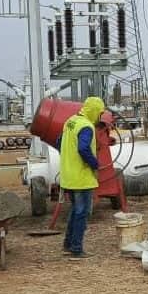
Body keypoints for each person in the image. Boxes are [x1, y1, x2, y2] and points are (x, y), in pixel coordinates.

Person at [57, 96, 104, 260]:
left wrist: (68, 158)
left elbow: (59, 141)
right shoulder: (86, 126)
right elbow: (83, 148)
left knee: (75, 210)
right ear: (94, 111)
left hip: (68, 176)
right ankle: (76, 249)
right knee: (81, 212)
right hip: (81, 178)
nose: (100, 117)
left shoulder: (71, 121)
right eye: (100, 113)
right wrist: (95, 164)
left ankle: (68, 244)